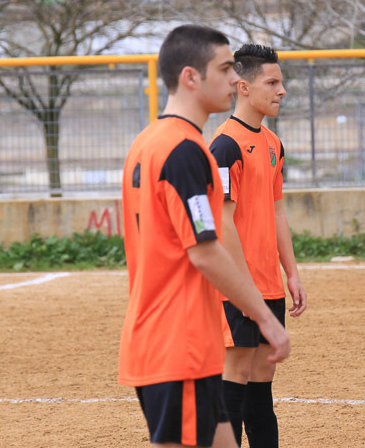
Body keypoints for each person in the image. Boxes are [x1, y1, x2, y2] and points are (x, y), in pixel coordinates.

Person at [118, 25, 291, 448]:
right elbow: (206, 251)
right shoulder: (185, 151)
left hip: (174, 341)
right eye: (225, 69)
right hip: (177, 344)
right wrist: (264, 316)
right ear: (190, 77)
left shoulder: (149, 142)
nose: (234, 79)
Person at [209, 44, 307, 448]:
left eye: (281, 82)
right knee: (235, 377)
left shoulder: (272, 144)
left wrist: (292, 273)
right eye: (272, 82)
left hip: (268, 284)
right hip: (236, 286)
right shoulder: (224, 145)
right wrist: (243, 285)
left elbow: (277, 211)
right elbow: (223, 220)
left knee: (262, 387)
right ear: (244, 87)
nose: (281, 90)